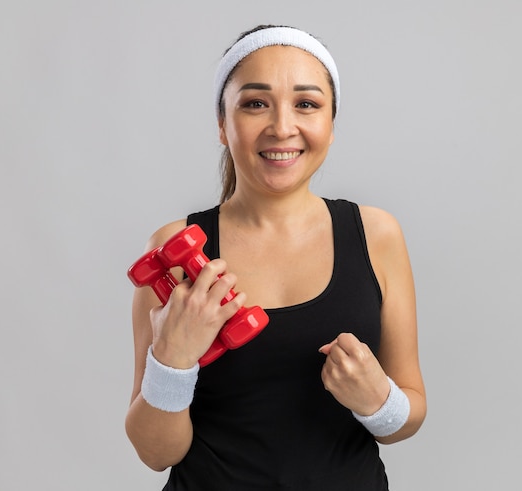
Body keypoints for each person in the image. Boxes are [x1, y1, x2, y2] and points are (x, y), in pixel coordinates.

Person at [125, 24, 427, 491]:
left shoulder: (376, 235)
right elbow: (156, 453)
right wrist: (174, 357)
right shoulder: (178, 249)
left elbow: (408, 416)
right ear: (223, 125)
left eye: (307, 104)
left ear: (330, 122)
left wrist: (378, 400)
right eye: (254, 103)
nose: (283, 127)